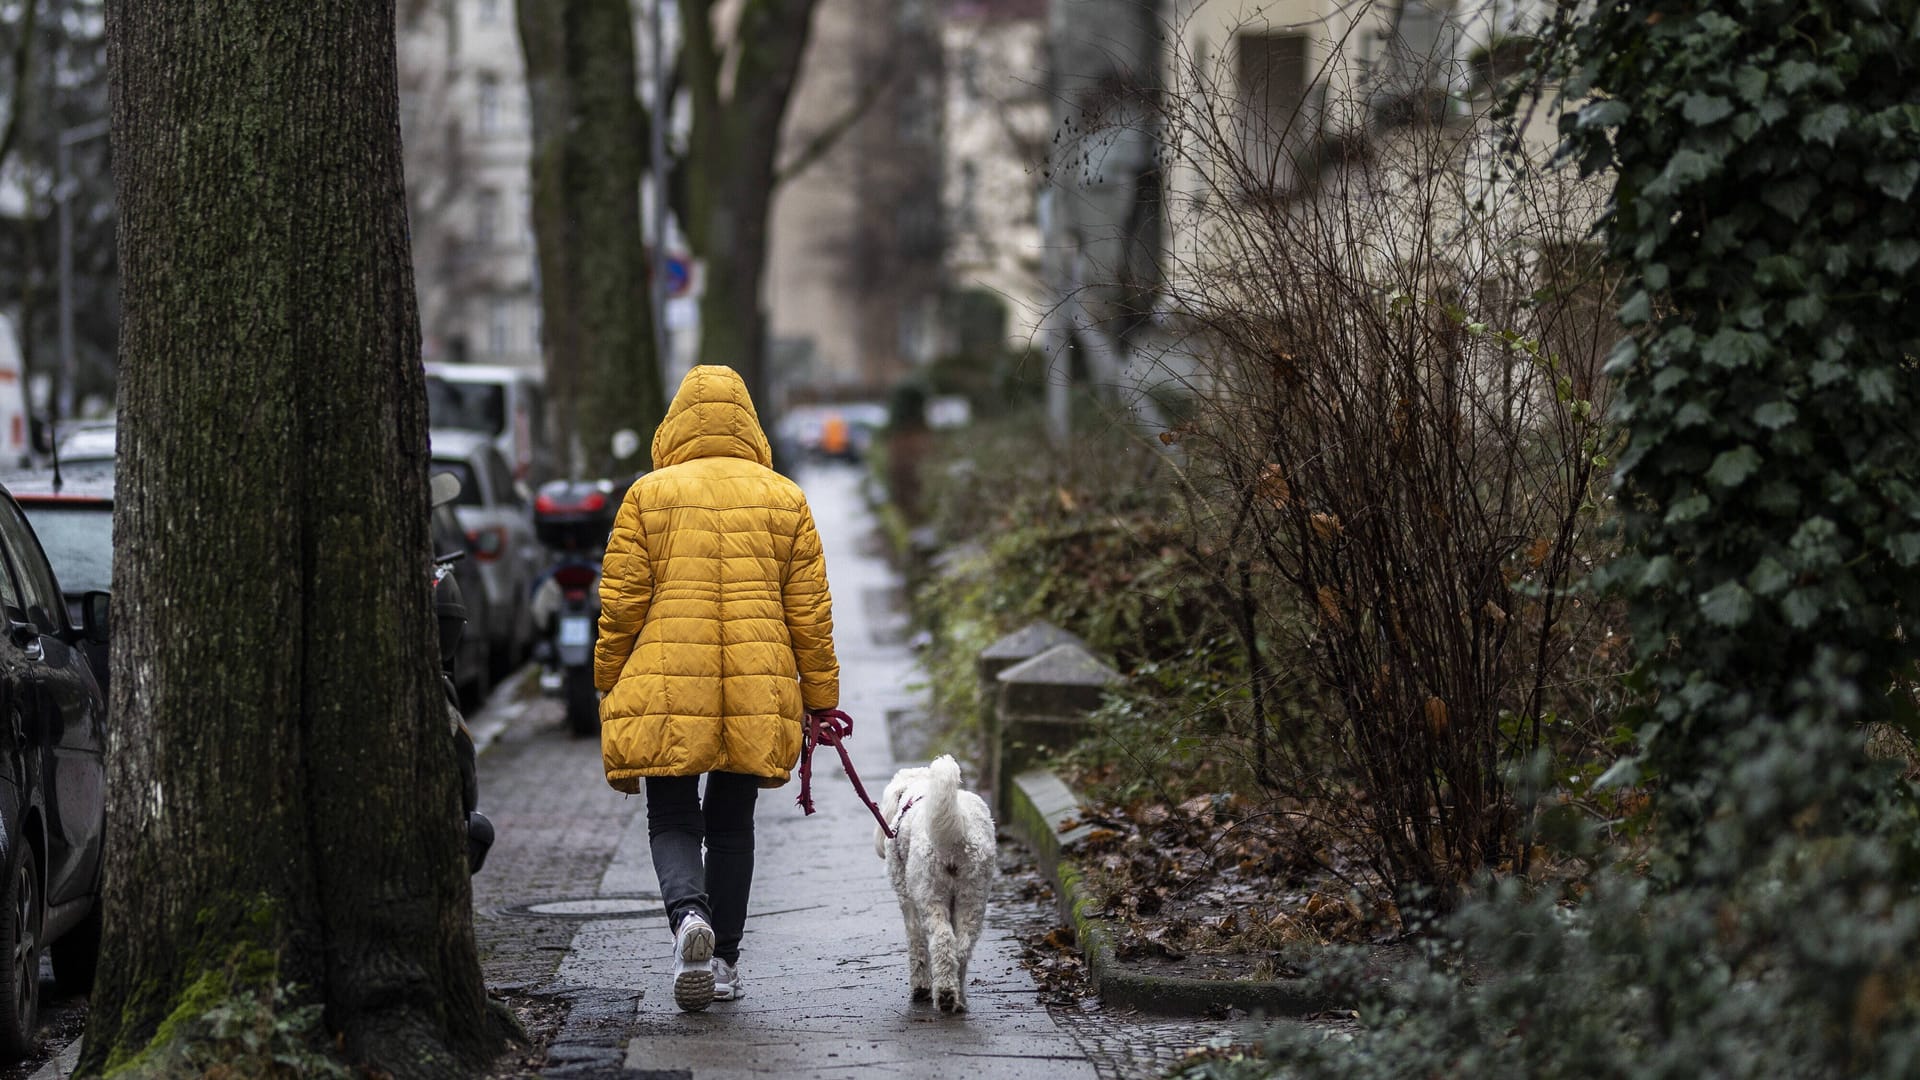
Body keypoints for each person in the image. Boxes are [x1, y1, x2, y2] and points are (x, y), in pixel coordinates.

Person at [594, 365, 840, 1013]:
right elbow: (809, 613)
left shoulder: (648, 495)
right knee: (732, 824)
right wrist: (821, 698)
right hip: (760, 687)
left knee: (671, 816)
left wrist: (607, 676)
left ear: (675, 424)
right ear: (748, 424)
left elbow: (621, 604)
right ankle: (724, 961)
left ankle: (688, 920)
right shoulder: (784, 498)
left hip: (666, 681)